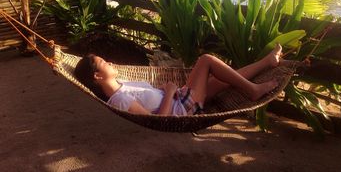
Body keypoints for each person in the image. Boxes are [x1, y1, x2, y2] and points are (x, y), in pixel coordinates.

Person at [74, 44, 283, 116]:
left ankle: (267, 62)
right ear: (97, 76)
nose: (109, 62)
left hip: (179, 97)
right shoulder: (120, 100)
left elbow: (150, 99)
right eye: (104, 62)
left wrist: (168, 89)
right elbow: (156, 119)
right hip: (181, 108)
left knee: (228, 78)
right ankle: (254, 90)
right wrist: (172, 91)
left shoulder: (123, 86)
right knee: (206, 60)